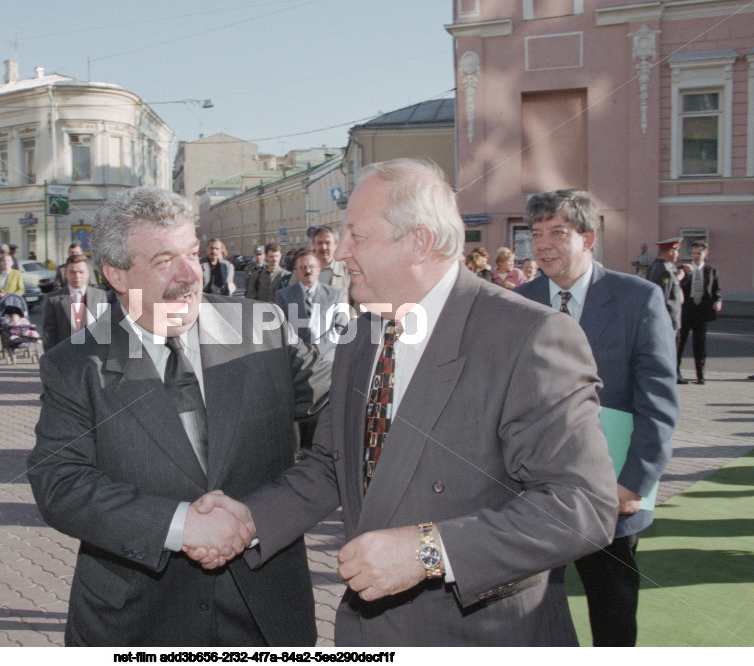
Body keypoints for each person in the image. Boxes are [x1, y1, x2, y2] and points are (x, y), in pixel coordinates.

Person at [192, 159, 618, 646]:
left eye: (357, 236)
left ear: (418, 242)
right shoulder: (361, 334)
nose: (339, 253)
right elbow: (331, 465)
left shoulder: (529, 336)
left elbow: (582, 505)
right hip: (371, 633)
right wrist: (250, 519)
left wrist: (429, 552)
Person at [26, 186, 329, 646]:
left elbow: (344, 408)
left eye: (192, 252)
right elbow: (60, 483)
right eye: (165, 260)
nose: (192, 274)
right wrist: (183, 525)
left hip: (267, 612)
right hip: (136, 620)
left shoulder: (263, 327)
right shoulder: (74, 364)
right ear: (117, 274)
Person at [515, 189, 679, 647]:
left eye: (558, 233)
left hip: (611, 493)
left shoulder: (638, 299)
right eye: (536, 234)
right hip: (534, 492)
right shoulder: (516, 301)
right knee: (533, 610)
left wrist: (635, 482)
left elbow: (658, 402)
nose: (543, 245)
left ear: (588, 237)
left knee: (612, 611)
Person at [274, 251, 348, 362]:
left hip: (326, 359)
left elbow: (341, 327)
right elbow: (281, 329)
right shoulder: (283, 295)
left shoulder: (335, 294)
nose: (308, 271)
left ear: (319, 269)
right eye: (302, 267)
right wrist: (299, 350)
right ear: (296, 272)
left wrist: (318, 347)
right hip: (295, 359)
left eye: (312, 266)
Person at [41, 254, 110, 352]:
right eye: (72, 272)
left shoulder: (100, 296)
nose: (77, 276)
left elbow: (105, 329)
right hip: (65, 355)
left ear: (88, 273)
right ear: (66, 274)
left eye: (81, 272)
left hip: (93, 355)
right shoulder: (54, 299)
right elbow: (48, 332)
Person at [678, 240, 722, 385]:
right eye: (694, 253)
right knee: (680, 343)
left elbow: (716, 289)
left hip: (701, 311)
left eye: (699, 253)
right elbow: (677, 286)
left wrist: (718, 301)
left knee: (700, 344)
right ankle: (676, 373)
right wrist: (687, 275)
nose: (696, 256)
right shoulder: (684, 268)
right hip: (686, 309)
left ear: (706, 253)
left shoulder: (711, 270)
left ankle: (700, 375)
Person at [646, 237, 686, 383]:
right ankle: (668, 377)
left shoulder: (663, 266)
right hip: (669, 318)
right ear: (670, 251)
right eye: (676, 251)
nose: (678, 254)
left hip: (670, 318)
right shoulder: (664, 269)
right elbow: (663, 297)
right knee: (668, 350)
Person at [312, 226, 352, 300]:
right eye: (319, 243)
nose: (324, 247)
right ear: (313, 244)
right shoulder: (302, 270)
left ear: (336, 245)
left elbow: (357, 302)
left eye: (328, 243)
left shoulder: (347, 271)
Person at [0, 253, 24, 321]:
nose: (6, 262)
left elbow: (21, 289)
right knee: (2, 326)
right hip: (0, 304)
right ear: (1, 263)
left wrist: (12, 295)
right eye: (4, 260)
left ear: (12, 263)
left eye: (8, 260)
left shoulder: (17, 274)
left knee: (14, 327)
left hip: (13, 305)